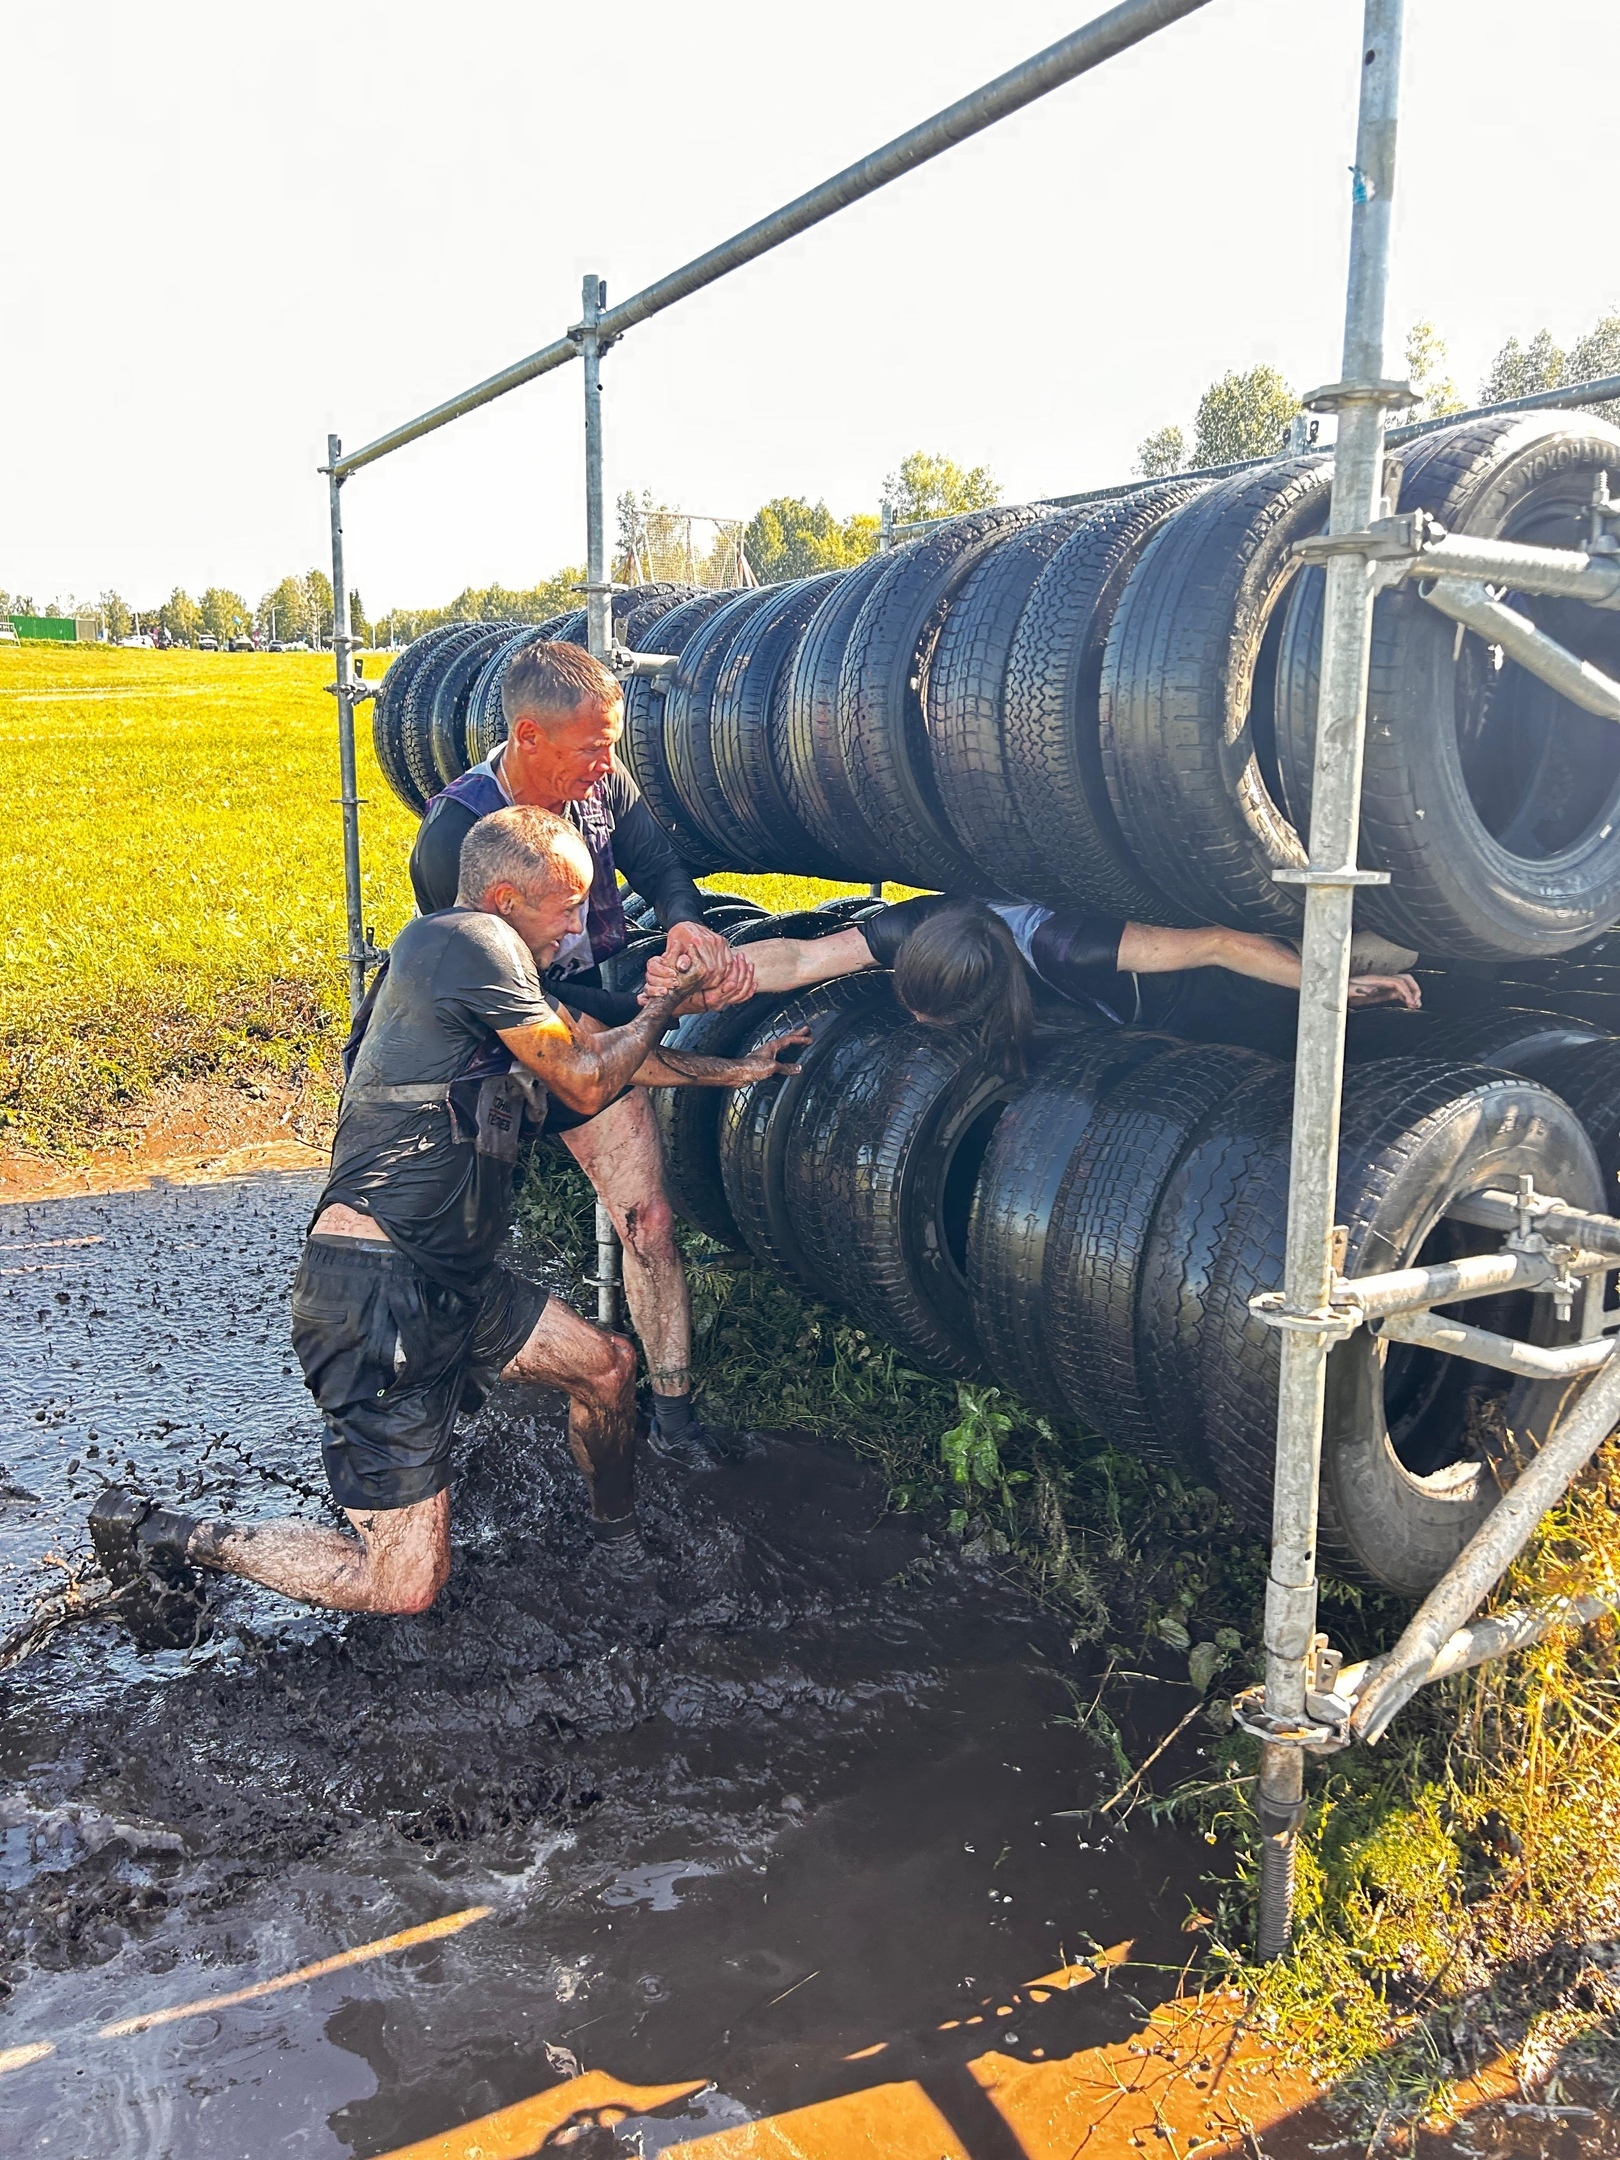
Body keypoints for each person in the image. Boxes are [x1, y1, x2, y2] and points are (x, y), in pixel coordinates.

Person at [89, 806, 805, 1619]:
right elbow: (586, 1079)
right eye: (565, 907)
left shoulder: (499, 988)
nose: (578, 927)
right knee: (404, 1586)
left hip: (451, 1280)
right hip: (376, 1291)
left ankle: (619, 1547)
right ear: (504, 899)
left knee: (606, 1369)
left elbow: (613, 1059)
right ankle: (176, 1536)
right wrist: (667, 1001)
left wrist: (739, 1070)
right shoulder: (463, 943)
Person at [409, 640, 754, 1470]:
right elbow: (504, 996)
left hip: (586, 1025)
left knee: (651, 1219)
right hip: (494, 1051)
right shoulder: (455, 834)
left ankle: (672, 1419)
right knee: (456, 1235)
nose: (609, 763)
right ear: (528, 737)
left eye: (614, 742)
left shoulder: (603, 788)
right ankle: (445, 1389)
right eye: (591, 746)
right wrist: (643, 1010)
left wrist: (683, 924)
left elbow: (664, 867)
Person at [643, 893, 1421, 1064]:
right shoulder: (919, 927)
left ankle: (1382, 957)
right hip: (1131, 1011)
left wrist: (1329, 982)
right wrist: (727, 977)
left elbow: (1219, 942)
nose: (916, 1022)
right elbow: (807, 957)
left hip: (1218, 991)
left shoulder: (1070, 947)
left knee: (1363, 1007)